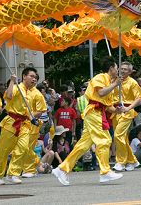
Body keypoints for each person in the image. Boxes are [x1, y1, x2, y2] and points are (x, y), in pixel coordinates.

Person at [52, 57, 123, 186]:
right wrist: (115, 84)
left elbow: (108, 106)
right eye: (117, 67)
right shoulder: (101, 77)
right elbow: (100, 93)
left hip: (97, 113)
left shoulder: (110, 82)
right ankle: (105, 171)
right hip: (94, 112)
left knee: (83, 145)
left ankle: (62, 168)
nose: (117, 70)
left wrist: (117, 110)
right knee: (104, 140)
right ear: (111, 67)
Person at [0, 67, 43, 185]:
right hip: (11, 121)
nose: (34, 79)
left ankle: (13, 173)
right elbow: (8, 96)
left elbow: (40, 110)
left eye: (35, 77)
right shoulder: (16, 87)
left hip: (25, 123)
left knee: (24, 147)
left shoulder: (36, 93)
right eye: (31, 76)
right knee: (4, 150)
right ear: (24, 76)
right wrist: (12, 81)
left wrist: (31, 116)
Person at [112, 61, 141, 172]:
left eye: (125, 69)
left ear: (130, 72)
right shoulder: (115, 80)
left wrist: (128, 108)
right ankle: (133, 160)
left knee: (118, 135)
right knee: (122, 137)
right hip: (116, 111)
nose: (123, 70)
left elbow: (139, 98)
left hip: (127, 111)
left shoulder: (133, 83)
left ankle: (120, 161)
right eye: (121, 68)